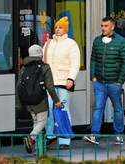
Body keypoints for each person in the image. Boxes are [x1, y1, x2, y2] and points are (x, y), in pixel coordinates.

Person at [84, 16, 125, 145]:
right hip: (99, 82)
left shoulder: (121, 41)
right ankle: (95, 135)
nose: (103, 28)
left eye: (106, 26)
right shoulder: (97, 41)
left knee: (117, 108)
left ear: (112, 27)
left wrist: (120, 81)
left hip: (114, 82)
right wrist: (93, 77)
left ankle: (119, 134)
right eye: (102, 26)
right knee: (98, 108)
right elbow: (93, 59)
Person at [43, 16, 81, 150]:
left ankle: (64, 139)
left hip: (65, 82)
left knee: (63, 110)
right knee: (49, 111)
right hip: (50, 82)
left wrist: (71, 78)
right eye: (56, 27)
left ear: (65, 29)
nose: (57, 29)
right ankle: (50, 136)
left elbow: (75, 63)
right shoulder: (48, 43)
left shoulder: (71, 44)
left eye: (60, 27)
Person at [19, 45, 62, 154]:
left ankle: (38, 148)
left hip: (28, 101)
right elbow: (50, 87)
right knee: (42, 121)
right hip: (40, 100)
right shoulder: (45, 67)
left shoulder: (24, 67)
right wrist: (56, 101)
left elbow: (19, 86)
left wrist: (18, 103)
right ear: (40, 54)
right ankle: (31, 138)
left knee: (36, 122)